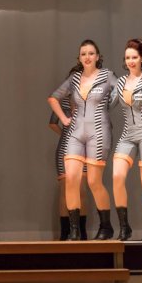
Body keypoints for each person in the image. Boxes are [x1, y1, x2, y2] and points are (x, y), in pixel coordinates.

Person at [48, 39, 116, 241]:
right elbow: (53, 98)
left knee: (94, 181)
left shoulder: (107, 76)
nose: (87, 57)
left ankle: (106, 226)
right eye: (83, 54)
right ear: (79, 58)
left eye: (91, 53)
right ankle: (74, 230)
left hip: (99, 132)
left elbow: (123, 93)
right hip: (75, 133)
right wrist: (64, 119)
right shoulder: (74, 78)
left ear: (97, 57)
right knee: (71, 180)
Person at [110, 38, 142, 241]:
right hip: (128, 133)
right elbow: (108, 104)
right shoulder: (120, 82)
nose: (130, 61)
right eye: (127, 58)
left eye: (134, 57)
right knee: (117, 177)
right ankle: (124, 228)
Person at [48, 79, 90, 240]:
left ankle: (82, 232)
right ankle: (65, 233)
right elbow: (53, 123)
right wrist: (65, 134)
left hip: (85, 148)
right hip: (65, 148)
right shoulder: (63, 100)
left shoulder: (90, 99)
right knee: (65, 191)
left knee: (82, 190)